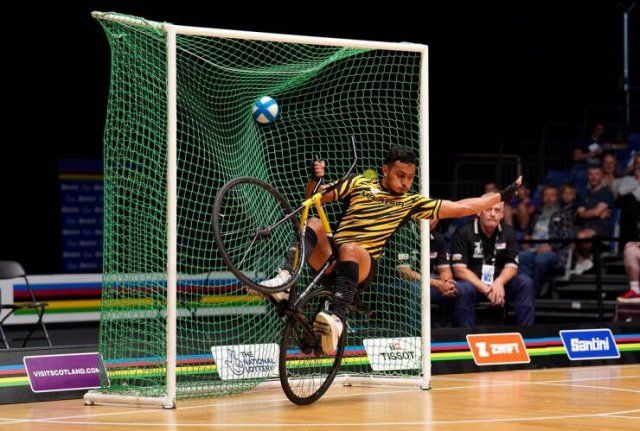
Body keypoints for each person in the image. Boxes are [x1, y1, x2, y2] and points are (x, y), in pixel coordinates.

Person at [260, 146, 522, 354]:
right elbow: (314, 197)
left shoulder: (411, 202)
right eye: (400, 175)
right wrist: (315, 180)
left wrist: (500, 196)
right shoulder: (359, 183)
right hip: (332, 259)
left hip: (362, 264)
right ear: (385, 170)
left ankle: (338, 319)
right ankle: (284, 279)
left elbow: (461, 207)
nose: (406, 182)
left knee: (351, 248)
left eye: (410, 177)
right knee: (314, 222)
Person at [451, 199, 535, 326]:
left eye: (497, 210)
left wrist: (499, 282)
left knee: (525, 283)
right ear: (478, 212)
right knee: (464, 288)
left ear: (502, 215)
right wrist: (486, 289)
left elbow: (512, 266)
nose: (493, 214)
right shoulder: (463, 232)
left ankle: (526, 332)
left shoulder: (508, 232)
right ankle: (464, 334)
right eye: (488, 209)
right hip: (474, 285)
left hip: (499, 285)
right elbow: (459, 270)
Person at [395, 220, 477, 327]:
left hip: (429, 284)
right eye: (427, 216)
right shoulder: (403, 235)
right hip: (398, 285)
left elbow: (444, 270)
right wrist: (437, 283)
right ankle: (417, 333)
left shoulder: (438, 238)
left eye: (433, 217)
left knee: (465, 288)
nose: (430, 221)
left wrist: (447, 283)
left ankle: (463, 332)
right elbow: (405, 273)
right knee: (416, 289)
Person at [518, 185, 564, 294]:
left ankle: (535, 289)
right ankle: (528, 284)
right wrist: (527, 238)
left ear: (557, 198)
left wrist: (550, 246)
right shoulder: (537, 214)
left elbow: (565, 235)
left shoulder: (563, 214)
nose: (549, 198)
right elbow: (529, 231)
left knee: (540, 260)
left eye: (552, 196)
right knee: (518, 258)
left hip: (553, 251)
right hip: (534, 249)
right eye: (546, 196)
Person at [573, 165, 616, 274]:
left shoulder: (606, 193)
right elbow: (580, 214)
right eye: (590, 174)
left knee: (581, 236)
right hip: (585, 226)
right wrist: (593, 213)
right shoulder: (583, 194)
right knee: (568, 236)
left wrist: (587, 213)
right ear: (587, 176)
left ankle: (587, 260)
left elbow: (595, 212)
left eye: (597, 174)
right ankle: (584, 262)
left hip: (601, 228)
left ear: (602, 176)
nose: (593, 177)